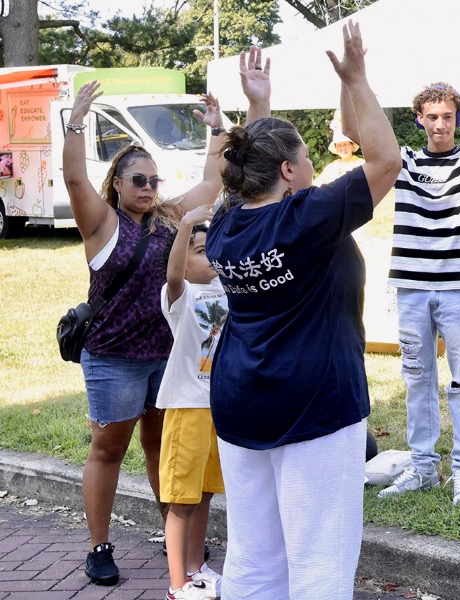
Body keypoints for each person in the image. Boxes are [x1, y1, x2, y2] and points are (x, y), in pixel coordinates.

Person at [204, 24, 401, 600]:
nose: (314, 166)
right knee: (319, 559)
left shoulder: (222, 227)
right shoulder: (307, 220)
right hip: (314, 403)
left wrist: (259, 106)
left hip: (241, 399)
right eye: (308, 157)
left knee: (254, 553)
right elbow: (384, 161)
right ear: (289, 171)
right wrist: (357, 80)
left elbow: (239, 177)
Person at [62, 82, 226, 586]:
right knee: (108, 448)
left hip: (164, 355)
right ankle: (99, 546)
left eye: (154, 179)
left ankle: (170, 534)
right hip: (113, 356)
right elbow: (72, 178)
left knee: (161, 446)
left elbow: (212, 183)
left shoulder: (166, 218)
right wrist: (77, 123)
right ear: (116, 183)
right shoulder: (102, 223)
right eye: (138, 179)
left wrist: (217, 130)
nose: (149, 187)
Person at [362, 30, 460, 505]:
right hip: (410, 289)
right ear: (419, 120)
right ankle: (424, 466)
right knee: (417, 379)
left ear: (457, 118)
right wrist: (356, 77)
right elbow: (361, 130)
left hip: (458, 289)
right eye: (432, 118)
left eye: (448, 117)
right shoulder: (402, 161)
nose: (441, 125)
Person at [156, 205, 226, 600]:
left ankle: (198, 569)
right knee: (181, 499)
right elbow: (172, 273)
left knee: (204, 494)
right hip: (188, 407)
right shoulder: (179, 294)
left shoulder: (226, 289)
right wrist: (186, 227)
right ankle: (177, 584)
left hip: (218, 408)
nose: (210, 256)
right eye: (201, 251)